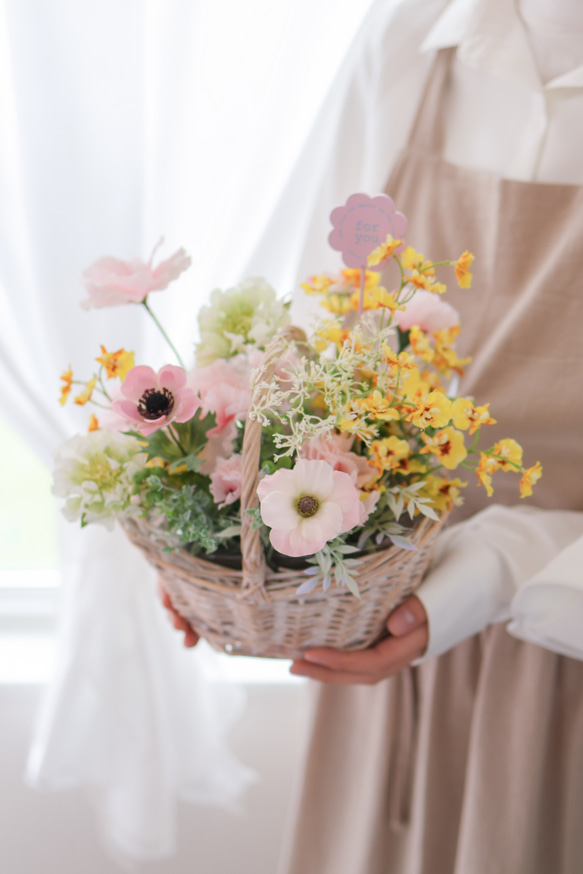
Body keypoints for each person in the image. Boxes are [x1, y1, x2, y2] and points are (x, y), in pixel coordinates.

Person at [162, 0, 583, 871]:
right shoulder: (410, 36)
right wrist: (227, 536)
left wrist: (479, 578)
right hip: (383, 650)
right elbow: (318, 325)